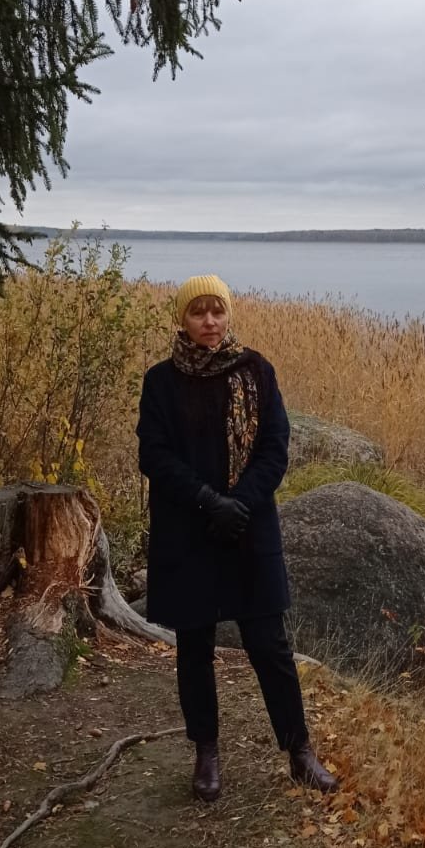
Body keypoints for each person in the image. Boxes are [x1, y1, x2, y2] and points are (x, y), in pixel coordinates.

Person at [136, 274, 338, 803]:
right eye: (198, 312)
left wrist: (239, 503)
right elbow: (153, 454)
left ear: (228, 315)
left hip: (248, 529)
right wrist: (209, 501)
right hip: (189, 529)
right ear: (182, 319)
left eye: (217, 311)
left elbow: (275, 447)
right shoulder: (161, 381)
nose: (209, 321)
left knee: (269, 644)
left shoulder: (257, 371)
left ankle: (300, 752)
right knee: (194, 646)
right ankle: (206, 752)